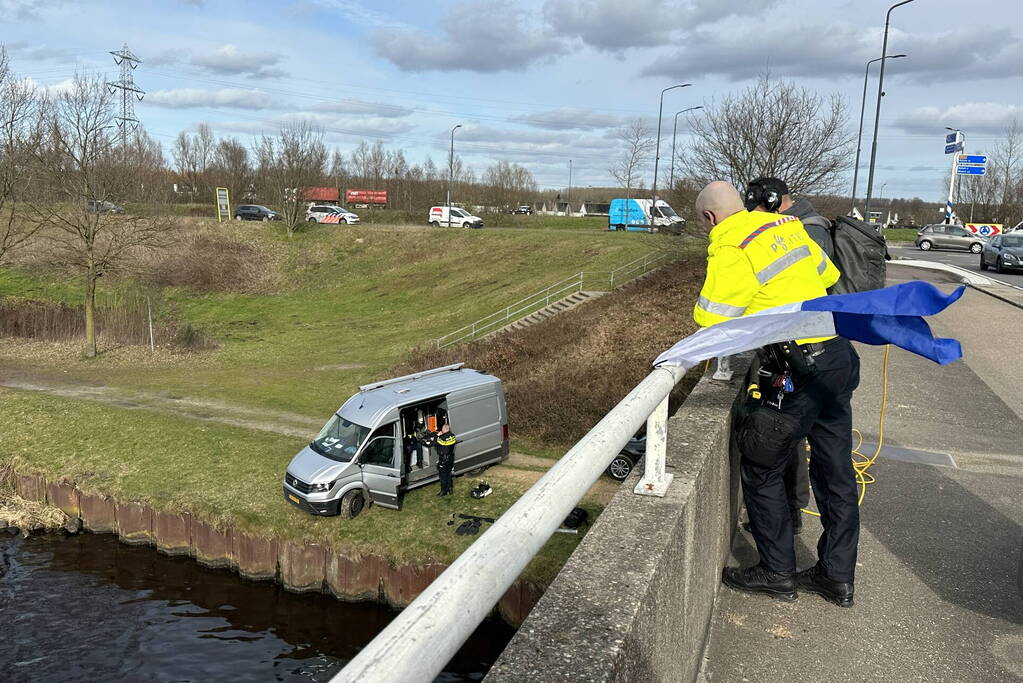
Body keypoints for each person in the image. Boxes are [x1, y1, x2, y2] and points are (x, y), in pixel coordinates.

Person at [694, 181, 861, 607]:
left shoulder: (730, 244)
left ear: (710, 218)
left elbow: (710, 318)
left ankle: (777, 571)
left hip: (796, 367)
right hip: (836, 356)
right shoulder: (785, 225)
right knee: (835, 472)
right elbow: (829, 274)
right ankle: (837, 576)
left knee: (762, 462)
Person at [743, 176, 835, 535]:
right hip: (811, 346)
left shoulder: (804, 231)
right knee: (803, 438)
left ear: (774, 200)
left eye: (760, 207)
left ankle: (790, 514)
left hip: (808, 349)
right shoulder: (798, 227)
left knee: (790, 434)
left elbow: (818, 282)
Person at [744, 176, 834, 258]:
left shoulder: (810, 233)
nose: (757, 219)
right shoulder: (786, 227)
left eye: (759, 213)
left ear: (773, 201)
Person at [434, 424, 458, 497]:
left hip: (444, 459)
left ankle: (443, 491)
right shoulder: (453, 436)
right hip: (450, 458)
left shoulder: (443, 438)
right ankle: (450, 489)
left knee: (443, 475)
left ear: (444, 429)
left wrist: (438, 435)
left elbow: (435, 441)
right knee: (448, 473)